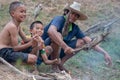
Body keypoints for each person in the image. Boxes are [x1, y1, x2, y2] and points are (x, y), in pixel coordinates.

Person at [42, 1, 112, 73]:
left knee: (82, 42)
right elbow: (51, 31)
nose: (74, 16)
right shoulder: (59, 19)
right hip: (45, 50)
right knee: (58, 36)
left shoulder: (75, 28)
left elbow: (89, 41)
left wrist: (105, 53)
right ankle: (54, 66)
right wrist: (65, 47)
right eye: (72, 13)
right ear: (66, 12)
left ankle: (60, 64)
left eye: (76, 15)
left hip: (60, 51)